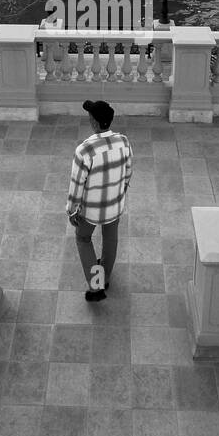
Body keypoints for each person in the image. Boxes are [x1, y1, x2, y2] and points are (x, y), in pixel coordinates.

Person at [66, 99, 134, 302]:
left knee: (83, 239)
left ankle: (96, 288)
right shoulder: (124, 141)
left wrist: (71, 210)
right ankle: (105, 278)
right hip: (115, 206)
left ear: (94, 122)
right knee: (110, 240)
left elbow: (76, 185)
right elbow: (129, 172)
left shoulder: (84, 151)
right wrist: (120, 192)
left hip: (91, 211)